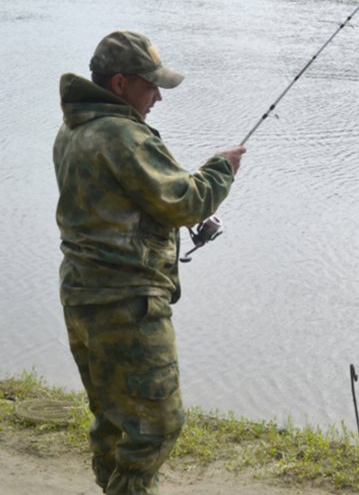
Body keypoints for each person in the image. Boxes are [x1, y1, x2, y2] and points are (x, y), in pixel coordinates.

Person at [53, 30, 245, 494]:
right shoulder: (124, 136)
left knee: (114, 419)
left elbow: (134, 200)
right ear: (120, 84)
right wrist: (221, 168)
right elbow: (184, 202)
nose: (157, 94)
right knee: (158, 424)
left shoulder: (74, 129)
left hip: (83, 296)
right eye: (150, 84)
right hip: (127, 303)